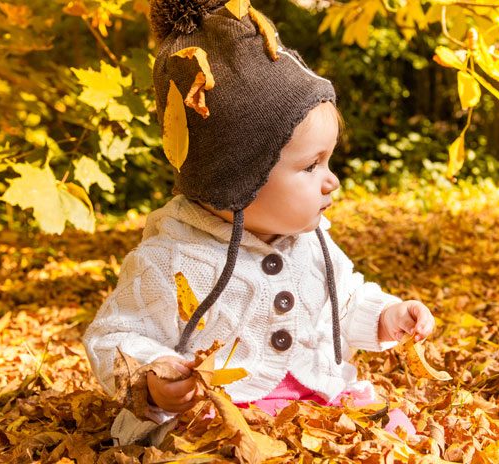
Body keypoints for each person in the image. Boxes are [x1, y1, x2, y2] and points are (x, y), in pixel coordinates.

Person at [83, 0, 435, 446]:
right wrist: (155, 376)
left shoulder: (311, 243)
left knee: (381, 433)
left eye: (329, 160)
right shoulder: (171, 256)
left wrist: (386, 315)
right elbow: (115, 335)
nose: (332, 180)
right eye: (311, 166)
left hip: (315, 399)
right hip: (218, 416)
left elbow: (343, 301)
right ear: (239, 178)